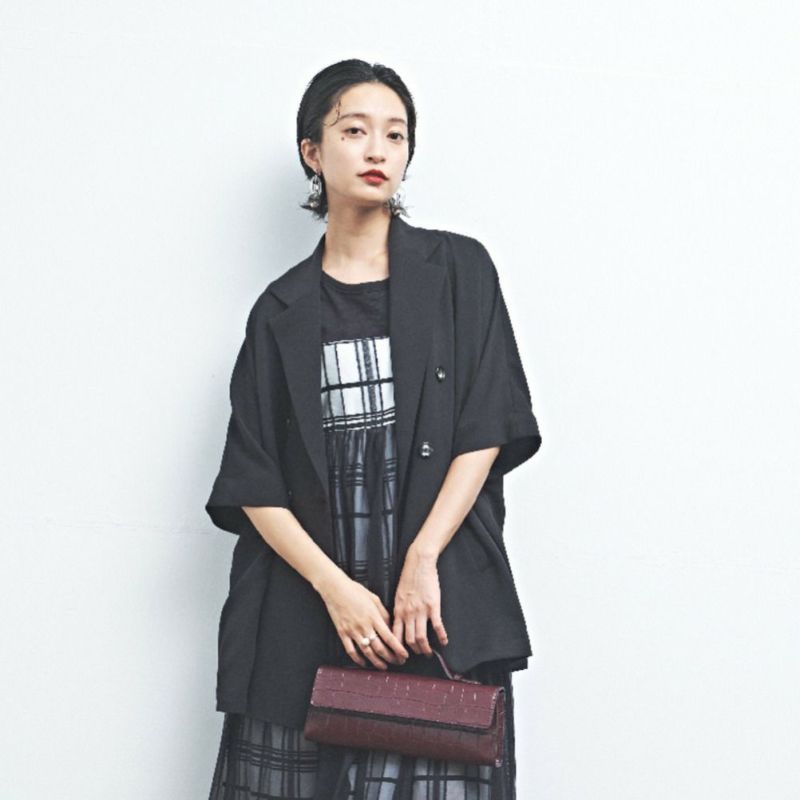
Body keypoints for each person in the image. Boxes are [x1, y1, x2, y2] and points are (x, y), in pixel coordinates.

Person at [206, 59, 543, 800]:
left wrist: (422, 559)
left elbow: (486, 425)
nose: (377, 150)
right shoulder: (280, 310)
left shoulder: (459, 271)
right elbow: (253, 479)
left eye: (395, 134)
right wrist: (338, 590)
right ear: (312, 152)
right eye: (354, 130)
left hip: (433, 609)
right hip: (310, 612)